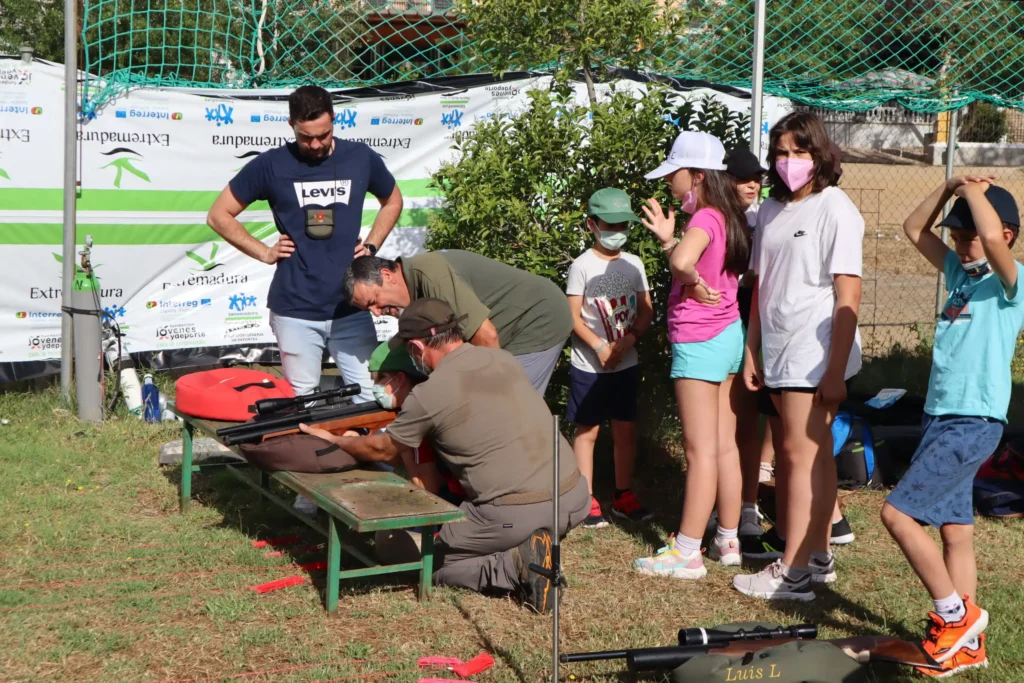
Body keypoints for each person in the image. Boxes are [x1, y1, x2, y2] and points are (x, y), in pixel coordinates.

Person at [299, 299, 589, 613]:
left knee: (403, 551)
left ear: (416, 347)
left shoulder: (428, 393)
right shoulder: (502, 359)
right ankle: (529, 544)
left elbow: (381, 449)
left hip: (515, 514)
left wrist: (335, 440)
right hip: (573, 498)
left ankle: (511, 568)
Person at [206, 84, 403, 515]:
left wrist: (371, 245)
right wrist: (263, 251)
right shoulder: (272, 165)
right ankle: (308, 491)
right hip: (295, 308)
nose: (315, 144)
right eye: (305, 137)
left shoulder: (359, 157)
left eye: (323, 135)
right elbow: (218, 214)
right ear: (291, 126)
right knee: (302, 402)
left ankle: (377, 483)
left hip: (350, 310)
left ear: (335, 121)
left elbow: (393, 199)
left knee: (370, 397)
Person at [881, 178, 1021, 676]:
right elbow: (913, 226)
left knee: (898, 515)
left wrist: (975, 192)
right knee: (956, 532)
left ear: (1005, 235)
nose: (963, 244)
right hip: (941, 418)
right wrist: (948, 188)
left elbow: (992, 234)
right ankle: (968, 649)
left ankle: (955, 616)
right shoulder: (959, 275)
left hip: (974, 419)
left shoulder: (1010, 281)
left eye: (972, 236)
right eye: (957, 236)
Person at [734, 112, 864, 601]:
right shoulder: (769, 210)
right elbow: (762, 287)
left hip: (815, 352)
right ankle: (818, 557)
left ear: (820, 155)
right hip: (778, 351)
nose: (789, 162)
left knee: (799, 456)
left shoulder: (836, 208)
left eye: (799, 152)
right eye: (782, 153)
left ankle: (792, 572)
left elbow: (848, 293)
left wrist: (834, 369)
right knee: (809, 457)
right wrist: (752, 352)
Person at [633, 131, 751, 579]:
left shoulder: (704, 218)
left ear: (697, 175)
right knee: (724, 447)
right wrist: (670, 242)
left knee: (699, 451)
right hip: (726, 338)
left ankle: (686, 551)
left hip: (699, 341)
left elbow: (685, 263)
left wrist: (690, 279)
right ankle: (728, 538)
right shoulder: (729, 215)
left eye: (674, 174)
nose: (668, 183)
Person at [342, 251, 573, 395]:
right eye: (367, 309)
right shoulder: (412, 293)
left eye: (374, 301)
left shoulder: (432, 275)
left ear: (387, 275)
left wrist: (498, 396)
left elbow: (486, 337)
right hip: (505, 328)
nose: (376, 313)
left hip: (538, 318)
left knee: (512, 409)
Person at [566, 188, 654, 528]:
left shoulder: (635, 264)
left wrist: (629, 339)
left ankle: (622, 494)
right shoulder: (581, 266)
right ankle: (585, 498)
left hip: (626, 364)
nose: (617, 231)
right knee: (587, 431)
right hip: (589, 365)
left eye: (624, 225)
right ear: (592, 224)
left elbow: (646, 310)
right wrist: (600, 347)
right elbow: (571, 315)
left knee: (625, 430)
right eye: (610, 224)